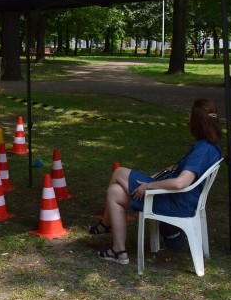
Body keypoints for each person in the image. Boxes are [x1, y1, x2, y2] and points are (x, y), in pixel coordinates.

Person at [90, 98, 222, 265]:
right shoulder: (210, 145)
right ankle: (119, 251)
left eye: (190, 116)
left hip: (176, 202)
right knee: (114, 192)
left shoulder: (202, 150)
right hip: (178, 199)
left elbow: (180, 183)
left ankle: (105, 224)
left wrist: (149, 185)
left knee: (119, 172)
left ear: (197, 122)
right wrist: (156, 178)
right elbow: (178, 169)